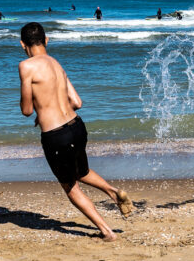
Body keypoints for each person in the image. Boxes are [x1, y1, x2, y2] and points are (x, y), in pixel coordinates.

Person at [18, 22, 134, 241]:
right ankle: (113, 192)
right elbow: (77, 102)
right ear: (47, 40)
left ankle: (107, 231)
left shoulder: (26, 66)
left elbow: (26, 110)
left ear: (23, 44)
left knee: (70, 186)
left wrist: (39, 112)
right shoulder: (57, 65)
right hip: (77, 126)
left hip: (56, 135)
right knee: (81, 171)